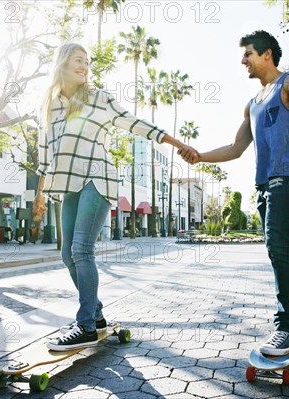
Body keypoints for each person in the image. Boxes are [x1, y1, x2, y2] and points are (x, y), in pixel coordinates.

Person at [179, 30, 289, 356]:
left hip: (288, 176)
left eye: (248, 53)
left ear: (267, 54)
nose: (243, 60)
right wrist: (200, 155)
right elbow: (237, 148)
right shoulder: (252, 104)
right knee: (284, 249)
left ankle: (287, 327)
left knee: (276, 245)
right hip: (264, 183)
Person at [33, 43, 196, 351]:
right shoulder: (49, 106)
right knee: (67, 254)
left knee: (81, 249)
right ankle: (95, 314)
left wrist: (178, 144)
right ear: (62, 64)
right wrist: (39, 194)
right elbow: (44, 153)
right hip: (69, 184)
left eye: (87, 62)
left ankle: (86, 325)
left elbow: (137, 124)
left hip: (98, 178)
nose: (84, 66)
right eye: (78, 60)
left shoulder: (98, 98)